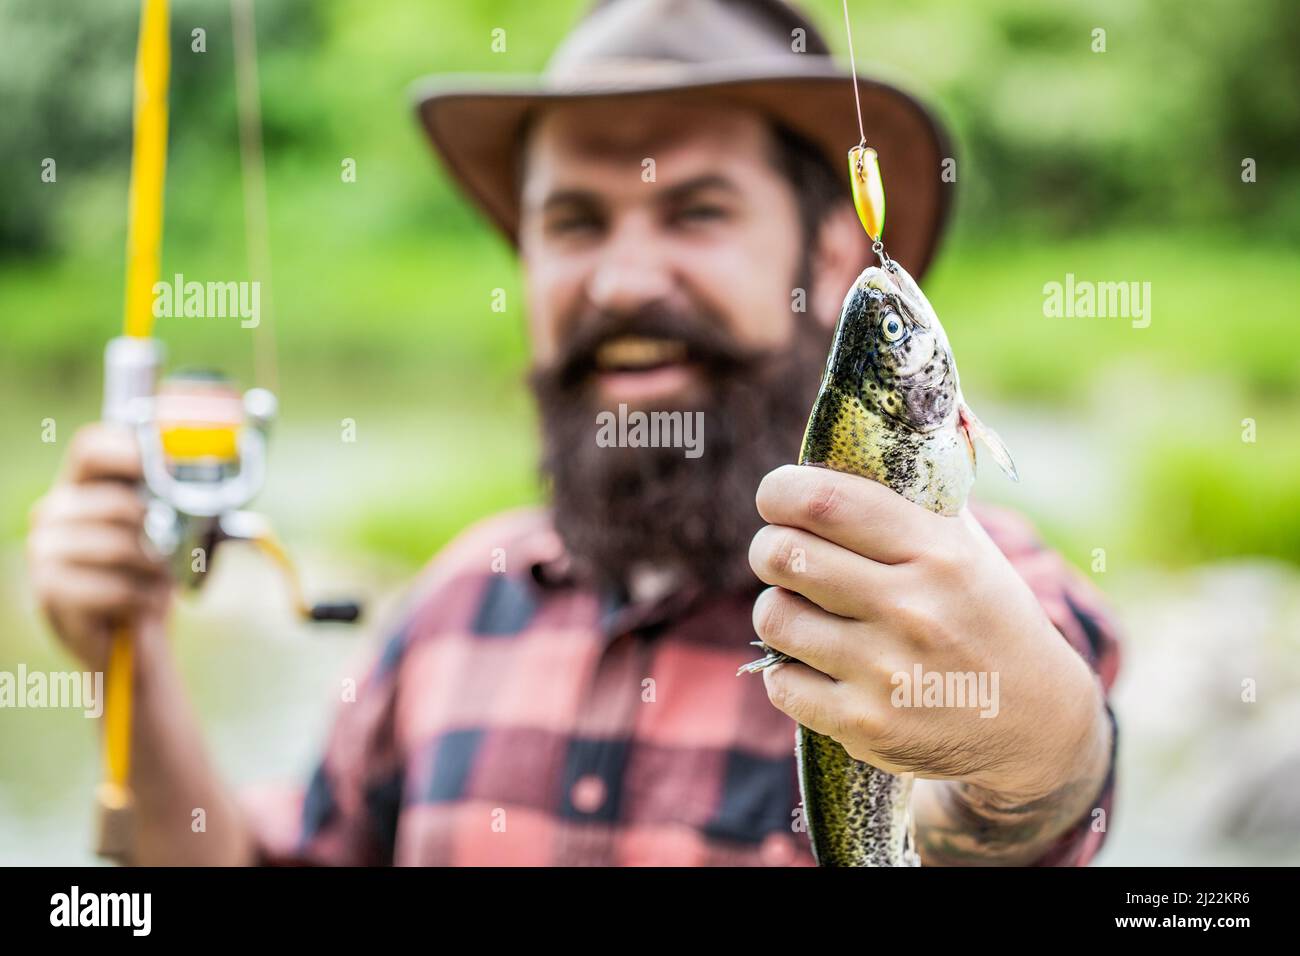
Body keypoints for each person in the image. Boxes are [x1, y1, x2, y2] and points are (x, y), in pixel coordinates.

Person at [26, 0, 1119, 866]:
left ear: (833, 258)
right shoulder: (452, 604)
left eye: (697, 210)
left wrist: (1041, 753)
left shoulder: (971, 591)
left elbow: (1034, 797)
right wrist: (131, 660)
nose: (625, 279)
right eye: (574, 222)